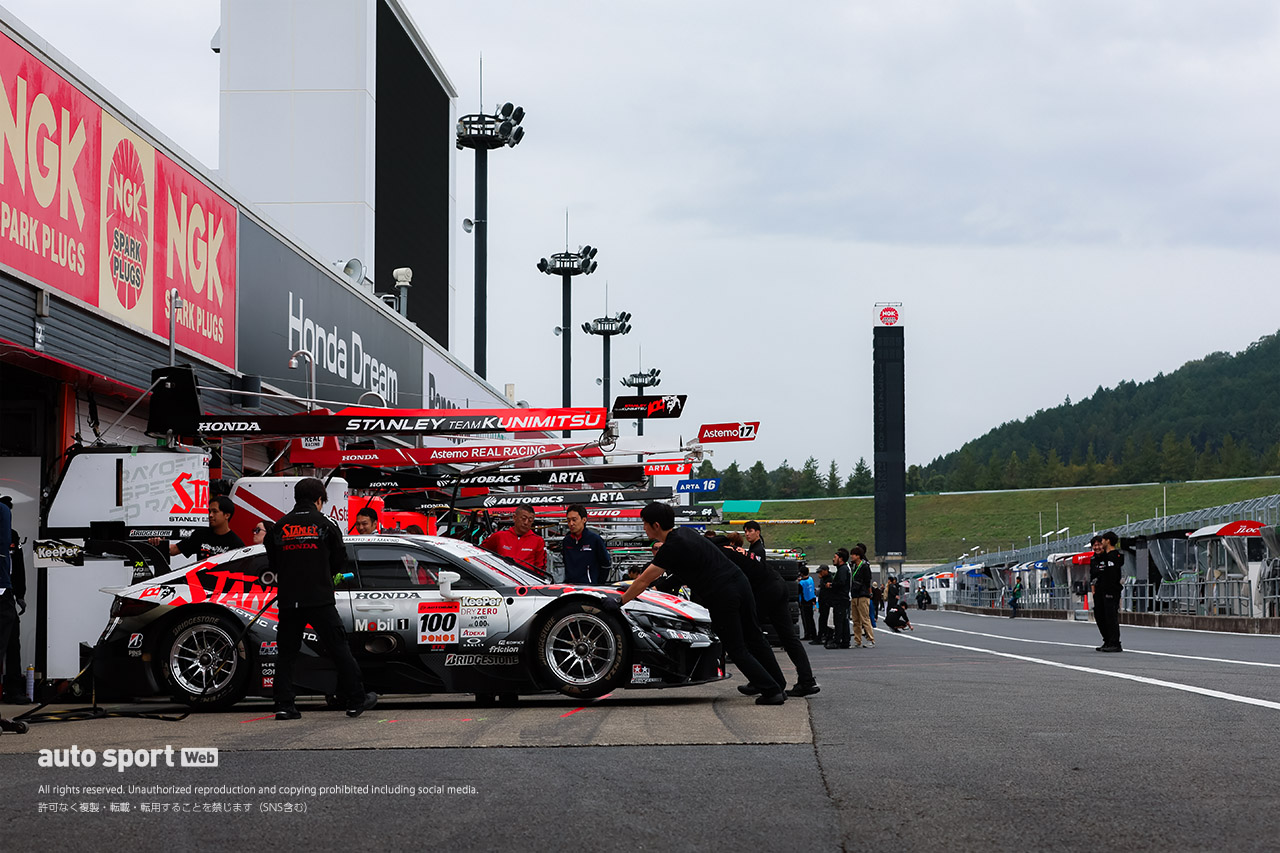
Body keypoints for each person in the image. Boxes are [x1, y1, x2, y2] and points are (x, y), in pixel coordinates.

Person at [617, 503, 788, 705]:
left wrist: (619, 601)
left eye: (644, 523)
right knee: (755, 637)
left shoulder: (671, 547)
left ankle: (771, 691)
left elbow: (643, 580)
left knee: (735, 648)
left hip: (723, 594)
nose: (643, 527)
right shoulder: (686, 534)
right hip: (740, 583)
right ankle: (778, 685)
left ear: (655, 525)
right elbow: (679, 574)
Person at [266, 478, 377, 720]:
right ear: (319, 500)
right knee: (339, 648)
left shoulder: (279, 526)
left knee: (286, 653)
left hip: (289, 600)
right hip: (319, 599)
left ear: (296, 498)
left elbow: (273, 562)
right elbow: (340, 561)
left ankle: (284, 706)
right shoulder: (325, 524)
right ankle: (356, 699)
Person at [710, 535, 820, 697]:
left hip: (764, 590)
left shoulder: (720, 553)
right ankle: (807, 681)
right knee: (788, 637)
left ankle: (760, 680)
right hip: (778, 584)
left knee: (751, 635)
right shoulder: (736, 550)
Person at [149, 495, 244, 561]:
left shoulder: (236, 544)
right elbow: (174, 550)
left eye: (215, 511)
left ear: (227, 515)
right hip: (199, 587)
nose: (210, 515)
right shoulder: (200, 535)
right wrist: (159, 544)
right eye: (209, 511)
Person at [0, 497, 28, 703]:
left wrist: (20, 594)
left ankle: (14, 689)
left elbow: (18, 566)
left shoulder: (13, 536)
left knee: (13, 643)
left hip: (8, 593)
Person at [481, 506, 547, 574]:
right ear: (515, 517)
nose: (526, 522)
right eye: (523, 518)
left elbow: (540, 569)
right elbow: (480, 554)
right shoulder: (499, 536)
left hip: (526, 582)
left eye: (530, 520)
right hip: (501, 579)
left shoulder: (538, 541)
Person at [561, 504, 612, 584]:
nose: (571, 524)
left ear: (584, 520)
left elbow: (606, 564)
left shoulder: (595, 540)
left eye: (574, 520)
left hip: (589, 588)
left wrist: (598, 584)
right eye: (568, 520)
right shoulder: (566, 541)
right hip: (570, 587)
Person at [1092, 531, 1124, 652]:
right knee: (1101, 616)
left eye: (1103, 541)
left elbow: (1113, 576)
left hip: (1111, 591)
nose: (1101, 543)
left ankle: (1115, 643)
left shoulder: (1114, 556)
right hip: (1101, 591)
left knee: (1111, 617)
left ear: (1108, 541)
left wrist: (1111, 590)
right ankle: (1108, 641)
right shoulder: (1103, 557)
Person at [849, 544, 875, 648]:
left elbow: (868, 580)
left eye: (853, 555)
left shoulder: (864, 566)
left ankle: (870, 639)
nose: (852, 556)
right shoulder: (853, 566)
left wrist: (868, 592)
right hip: (854, 594)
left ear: (858, 555)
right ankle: (857, 640)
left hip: (863, 594)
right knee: (855, 620)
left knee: (865, 618)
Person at [826, 548, 852, 649]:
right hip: (842, 599)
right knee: (843, 620)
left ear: (841, 559)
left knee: (839, 621)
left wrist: (831, 585)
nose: (833, 559)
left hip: (840, 599)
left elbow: (841, 583)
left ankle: (837, 641)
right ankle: (845, 641)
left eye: (835, 557)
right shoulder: (843, 569)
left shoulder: (843, 570)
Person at [812, 565, 834, 646]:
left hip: (827, 602)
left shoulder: (830, 579)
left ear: (825, 571)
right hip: (822, 602)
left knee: (826, 620)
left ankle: (824, 636)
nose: (819, 574)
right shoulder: (823, 579)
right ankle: (821, 636)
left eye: (821, 572)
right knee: (822, 620)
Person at [798, 566, 818, 641]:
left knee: (805, 619)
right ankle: (813, 633)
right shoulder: (811, 579)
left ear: (801, 573)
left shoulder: (801, 583)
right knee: (811, 618)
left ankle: (807, 634)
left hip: (804, 601)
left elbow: (799, 592)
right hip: (811, 600)